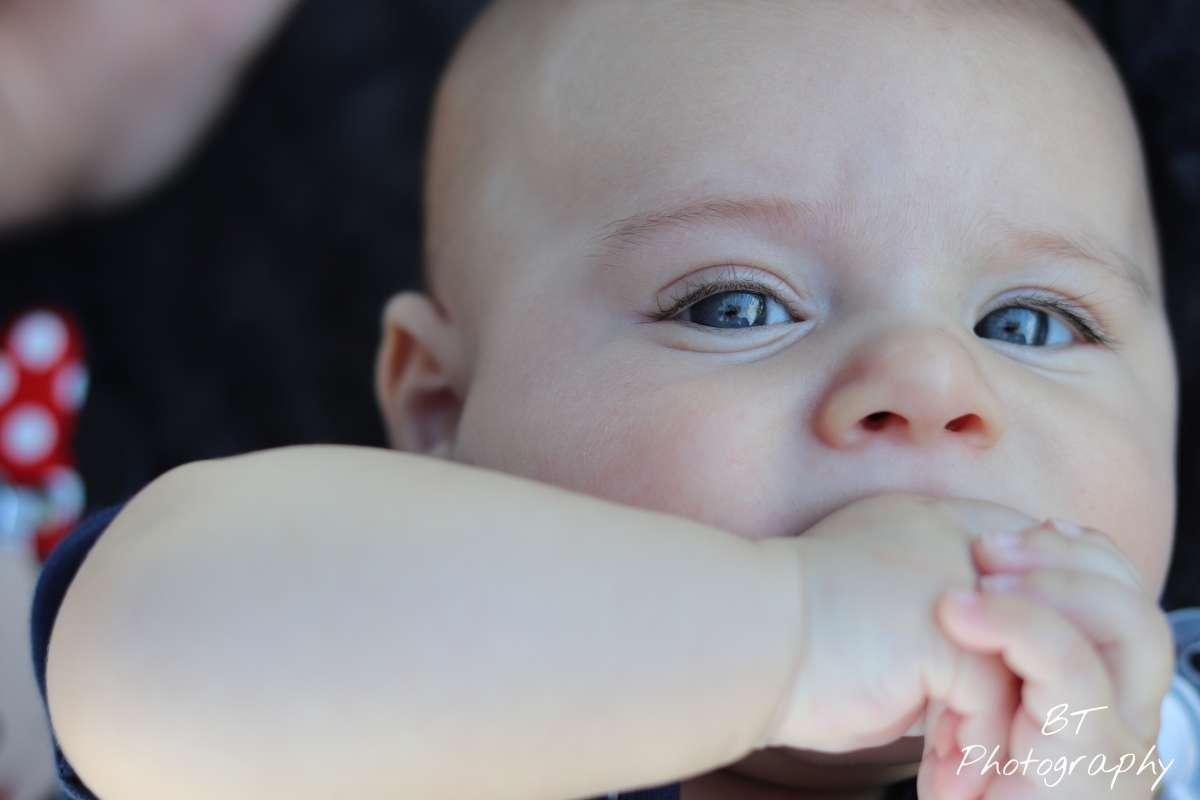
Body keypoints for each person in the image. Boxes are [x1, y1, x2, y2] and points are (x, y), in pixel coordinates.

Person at [26, 0, 1186, 797]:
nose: (934, 383)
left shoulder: (1158, 734)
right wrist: (790, 631)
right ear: (440, 410)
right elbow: (137, 649)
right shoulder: (436, 716)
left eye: (1034, 324)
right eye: (736, 304)